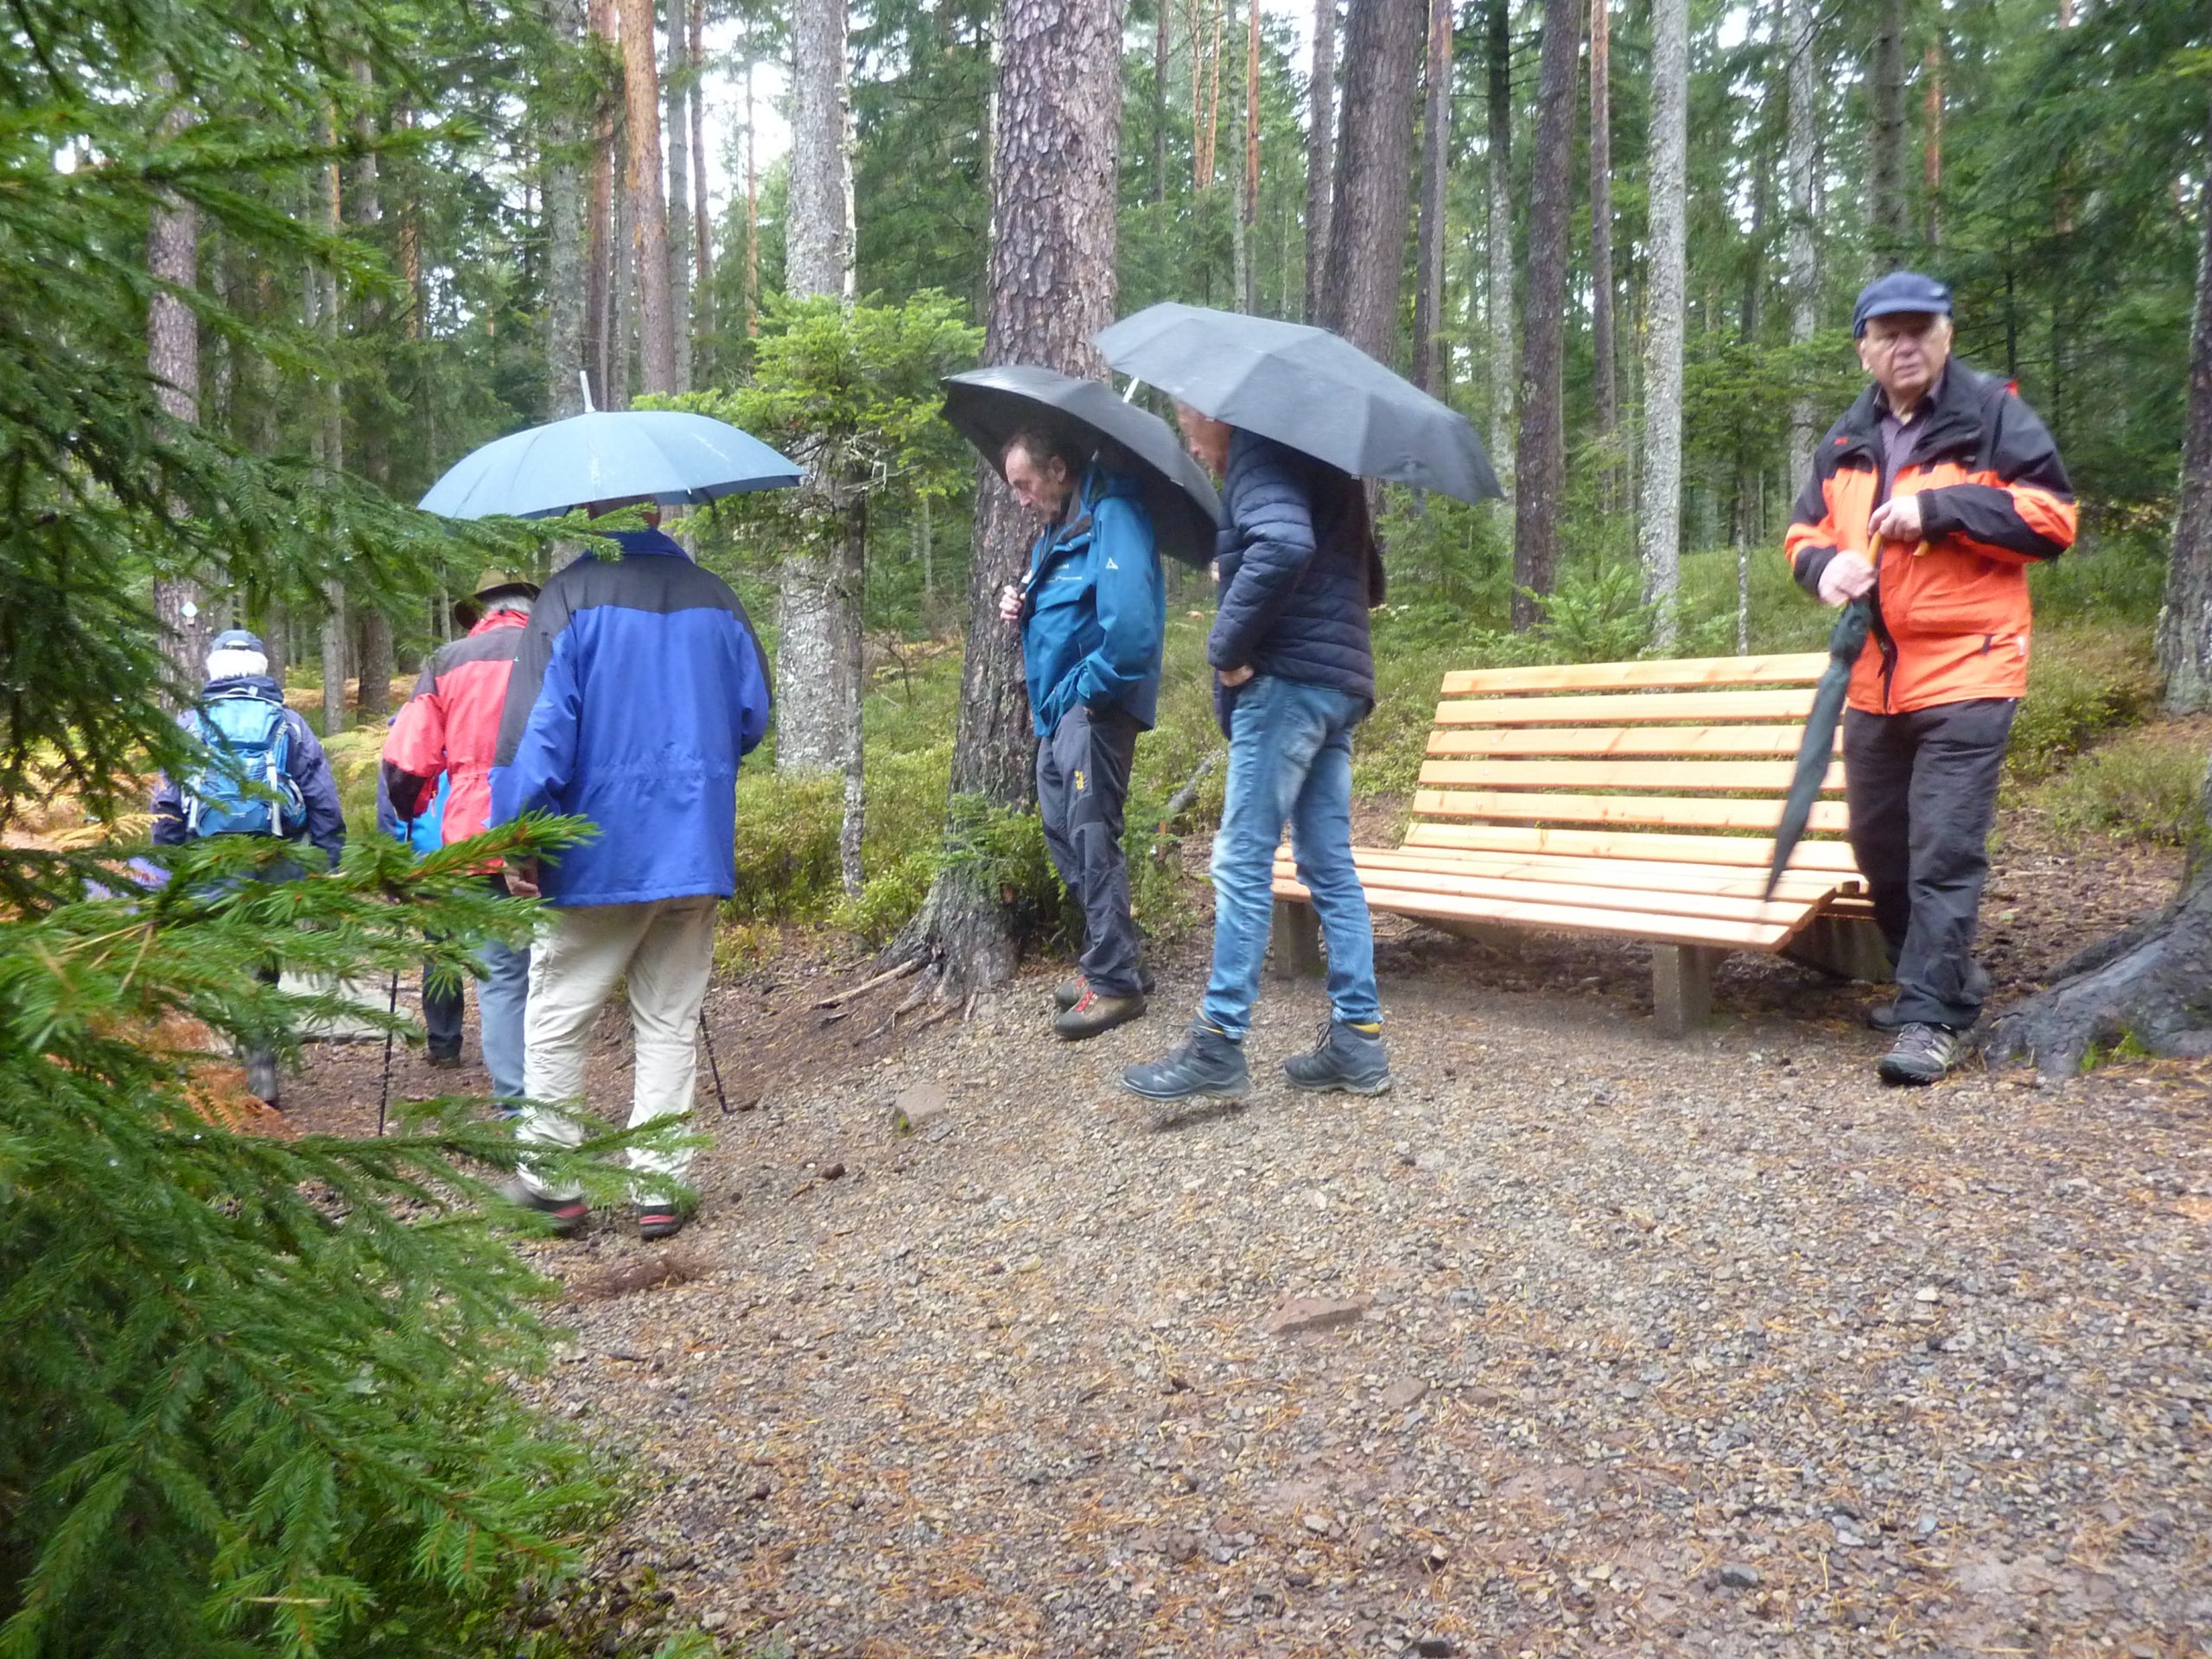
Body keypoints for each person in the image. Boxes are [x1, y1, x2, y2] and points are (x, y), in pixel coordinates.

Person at [1784, 270, 2075, 1084]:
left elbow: (2053, 521)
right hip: (1874, 679)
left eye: (1921, 330)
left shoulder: (1991, 416)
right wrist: (1824, 568)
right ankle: (1945, 980)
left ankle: (1928, 1017)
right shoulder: (1847, 436)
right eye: (1889, 334)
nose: (1905, 345)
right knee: (1879, 847)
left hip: (1969, 670)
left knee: (1942, 850)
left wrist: (1938, 512)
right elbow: (1804, 532)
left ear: (1946, 337)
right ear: (1865, 349)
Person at [489, 506, 772, 1241]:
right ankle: (659, 1185)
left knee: (558, 1018)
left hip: (594, 854)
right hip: (693, 847)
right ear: (658, 511)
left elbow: (538, 738)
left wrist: (518, 839)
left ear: (591, 513)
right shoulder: (716, 595)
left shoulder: (567, 598)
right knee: (669, 1019)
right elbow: (752, 716)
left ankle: (552, 1184)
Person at [1122, 410, 1390, 1103]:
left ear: (1219, 414)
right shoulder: (1320, 454)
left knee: (1241, 859)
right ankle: (1359, 1041)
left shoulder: (1260, 448)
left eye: (1190, 427)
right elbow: (1370, 581)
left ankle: (1218, 1042)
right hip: (1337, 685)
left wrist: (1227, 647)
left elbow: (1283, 544)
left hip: (1287, 686)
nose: (1193, 445)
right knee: (1329, 864)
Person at [994, 427, 1166, 1040]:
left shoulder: (1113, 515)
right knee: (1063, 832)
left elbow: (1130, 634)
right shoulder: (1058, 528)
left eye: (1024, 484)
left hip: (1093, 707)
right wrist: (1022, 604)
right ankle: (1118, 956)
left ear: (1058, 469)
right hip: (1058, 710)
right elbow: (1065, 608)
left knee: (1092, 836)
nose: (1020, 498)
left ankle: (1115, 984)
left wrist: (1085, 693)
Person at [151, 627, 346, 1108]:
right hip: (277, 856)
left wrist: (170, 869)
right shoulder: (288, 723)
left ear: (212, 669)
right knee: (263, 955)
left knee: (222, 953)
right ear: (263, 668)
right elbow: (323, 801)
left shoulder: (190, 723)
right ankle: (262, 1065)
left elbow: (167, 804)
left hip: (211, 857)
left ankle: (226, 1058)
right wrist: (326, 863)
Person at [381, 569, 542, 1105]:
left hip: (476, 836)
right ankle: (560, 1102)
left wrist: (412, 810)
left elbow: (406, 763)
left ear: (479, 613)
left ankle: (518, 1110)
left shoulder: (446, 662)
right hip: (557, 829)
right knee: (563, 971)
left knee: (501, 976)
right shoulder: (558, 649)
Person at [375, 764, 466, 1067]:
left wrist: (391, 873)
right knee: (499, 951)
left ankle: (445, 1043)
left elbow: (388, 814)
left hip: (426, 858)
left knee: (439, 949)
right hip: (474, 847)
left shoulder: (404, 747)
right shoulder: (475, 738)